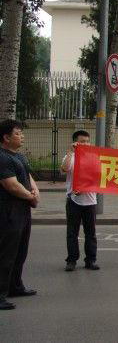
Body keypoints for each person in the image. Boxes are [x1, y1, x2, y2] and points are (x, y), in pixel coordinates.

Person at [0, 120, 39, 311]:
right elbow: (11, 185)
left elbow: (28, 177)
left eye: (21, 133)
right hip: (8, 211)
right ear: (6, 137)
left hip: (23, 210)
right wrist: (30, 197)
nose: (21, 136)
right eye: (17, 133)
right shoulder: (2, 157)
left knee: (20, 251)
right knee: (6, 253)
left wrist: (35, 192)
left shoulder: (19, 157)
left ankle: (15, 286)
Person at [61, 130, 99, 272]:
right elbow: (65, 169)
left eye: (87, 141)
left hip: (90, 201)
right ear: (75, 142)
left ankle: (90, 260)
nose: (85, 144)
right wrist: (70, 152)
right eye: (82, 141)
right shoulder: (70, 157)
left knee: (91, 233)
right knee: (72, 233)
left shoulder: (94, 157)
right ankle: (71, 260)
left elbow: (99, 176)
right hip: (74, 200)